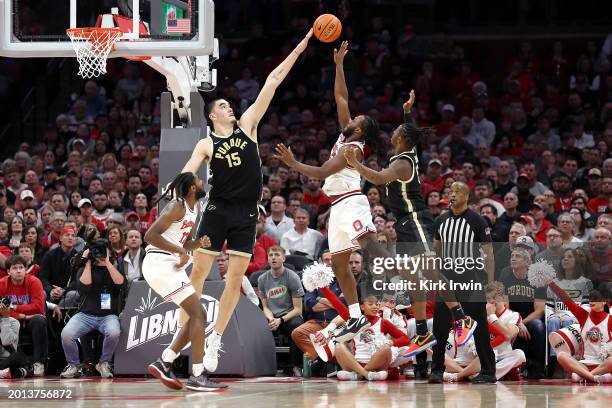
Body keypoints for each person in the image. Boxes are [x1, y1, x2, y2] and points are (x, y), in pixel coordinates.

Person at [181, 30, 313, 374]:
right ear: (213, 116)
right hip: (216, 210)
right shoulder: (206, 143)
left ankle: (216, 339)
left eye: (230, 105)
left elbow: (273, 79)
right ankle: (185, 331)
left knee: (234, 280)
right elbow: (186, 175)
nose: (231, 108)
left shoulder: (249, 126)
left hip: (245, 214)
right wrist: (180, 196)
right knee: (197, 274)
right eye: (224, 106)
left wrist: (301, 44)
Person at [275, 41, 404, 344]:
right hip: (337, 206)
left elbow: (320, 173)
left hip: (351, 201)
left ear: (361, 131)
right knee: (339, 264)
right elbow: (341, 96)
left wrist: (293, 163)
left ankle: (407, 275)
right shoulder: (346, 134)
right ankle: (356, 314)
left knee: (371, 247)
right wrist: (339, 64)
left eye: (358, 120)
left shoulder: (351, 148)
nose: (353, 118)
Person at [344, 93, 478, 373]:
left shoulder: (402, 163)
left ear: (402, 138)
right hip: (403, 223)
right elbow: (411, 134)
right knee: (410, 275)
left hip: (415, 219)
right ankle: (420, 331)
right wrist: (407, 113)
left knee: (428, 271)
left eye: (397, 129)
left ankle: (461, 318)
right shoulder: (407, 152)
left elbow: (380, 178)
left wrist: (357, 166)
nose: (392, 131)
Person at [143, 172, 225, 391]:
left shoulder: (194, 209)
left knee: (197, 315)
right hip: (158, 263)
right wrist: (181, 250)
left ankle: (165, 361)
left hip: (170, 264)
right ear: (191, 188)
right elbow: (150, 236)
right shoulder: (176, 206)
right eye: (198, 181)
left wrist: (198, 243)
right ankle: (197, 374)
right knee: (199, 314)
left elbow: (182, 242)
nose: (202, 183)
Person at [429, 181, 497, 384]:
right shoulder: (440, 220)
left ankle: (488, 371)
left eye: (457, 191)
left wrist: (491, 283)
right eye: (450, 192)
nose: (452, 195)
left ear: (466, 196)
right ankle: (436, 370)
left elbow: (489, 254)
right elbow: (437, 252)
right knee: (440, 325)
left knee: (479, 325)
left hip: (471, 277)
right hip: (446, 278)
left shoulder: (477, 221)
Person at [59, 240, 126, 379]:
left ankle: (104, 363)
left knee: (114, 332)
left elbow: (121, 284)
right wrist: (88, 261)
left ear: (109, 252)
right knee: (66, 334)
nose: (99, 253)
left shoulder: (114, 267)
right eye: (97, 250)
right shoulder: (84, 269)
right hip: (85, 315)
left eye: (103, 249)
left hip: (108, 315)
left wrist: (107, 262)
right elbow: (84, 288)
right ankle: (73, 365)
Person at [258, 245, 304, 376]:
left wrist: (281, 320)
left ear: (283, 258)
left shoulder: (292, 277)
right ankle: (263, 366)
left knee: (297, 328)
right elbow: (265, 306)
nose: (273, 258)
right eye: (271, 255)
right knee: (254, 329)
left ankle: (295, 366)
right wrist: (271, 319)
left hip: (289, 315)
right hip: (272, 316)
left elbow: (298, 309)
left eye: (277, 255)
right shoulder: (262, 279)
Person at [0, 255, 47, 376]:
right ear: (8, 271)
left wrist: (14, 307)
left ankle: (39, 363)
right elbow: (1, 310)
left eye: (21, 267)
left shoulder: (34, 281)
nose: (19, 270)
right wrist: (22, 316)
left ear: (25, 270)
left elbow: (38, 307)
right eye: (14, 268)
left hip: (31, 320)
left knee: (39, 320)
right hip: (12, 319)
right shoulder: (2, 284)